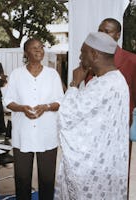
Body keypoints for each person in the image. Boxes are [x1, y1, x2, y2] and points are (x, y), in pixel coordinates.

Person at [54, 32, 129, 199]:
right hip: (106, 165)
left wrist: (74, 84)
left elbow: (68, 116)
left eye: (83, 52)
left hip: (95, 169)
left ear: (94, 54)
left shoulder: (104, 84)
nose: (80, 57)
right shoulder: (111, 80)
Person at [3, 38, 64, 200]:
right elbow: (7, 101)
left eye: (41, 47)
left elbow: (61, 101)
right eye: (34, 48)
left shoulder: (52, 74)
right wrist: (22, 108)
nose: (39, 51)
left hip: (47, 134)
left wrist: (46, 107)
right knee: (22, 178)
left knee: (47, 179)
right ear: (26, 52)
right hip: (23, 134)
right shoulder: (17, 74)